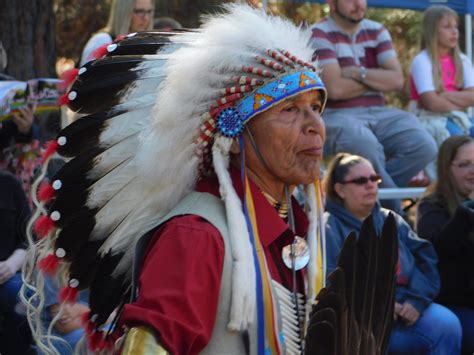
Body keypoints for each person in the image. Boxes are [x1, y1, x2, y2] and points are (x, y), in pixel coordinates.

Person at [24, 5, 398, 354]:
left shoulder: (290, 225)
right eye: (289, 110)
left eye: (316, 108)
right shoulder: (197, 236)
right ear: (234, 137)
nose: (315, 126)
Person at [323, 152, 462, 354]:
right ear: (340, 189)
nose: (371, 185)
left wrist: (417, 301)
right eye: (361, 180)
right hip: (362, 321)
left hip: (409, 306)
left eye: (375, 178)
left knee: (446, 324)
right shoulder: (328, 228)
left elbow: (425, 260)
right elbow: (332, 282)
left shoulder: (391, 219)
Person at [309, 0, 437, 212]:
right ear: (332, 3)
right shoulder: (319, 33)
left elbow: (396, 80)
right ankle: (394, 214)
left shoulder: (377, 30)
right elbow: (335, 88)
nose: (359, 4)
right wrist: (374, 79)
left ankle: (357, 197)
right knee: (365, 144)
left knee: (424, 144)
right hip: (336, 114)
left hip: (379, 112)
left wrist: (357, 72)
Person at [417, 136, 474, 354]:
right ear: (447, 168)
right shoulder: (432, 205)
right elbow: (438, 249)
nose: (472, 171)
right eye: (464, 164)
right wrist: (466, 212)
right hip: (453, 304)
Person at [409, 5, 474, 179]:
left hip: (458, 116)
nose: (454, 32)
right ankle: (455, 184)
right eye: (447, 27)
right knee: (459, 143)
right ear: (432, 31)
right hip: (429, 118)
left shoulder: (462, 60)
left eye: (456, 27)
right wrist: (460, 99)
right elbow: (431, 103)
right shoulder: (422, 61)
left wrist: (444, 95)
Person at [0, 169, 32, 354]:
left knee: (24, 296)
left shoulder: (10, 184)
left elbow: (29, 238)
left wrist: (12, 265)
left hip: (6, 276)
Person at [80, 0, 154, 66]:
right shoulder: (102, 40)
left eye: (149, 11)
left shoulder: (147, 44)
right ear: (123, 12)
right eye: (139, 11)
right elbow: (87, 79)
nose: (146, 18)